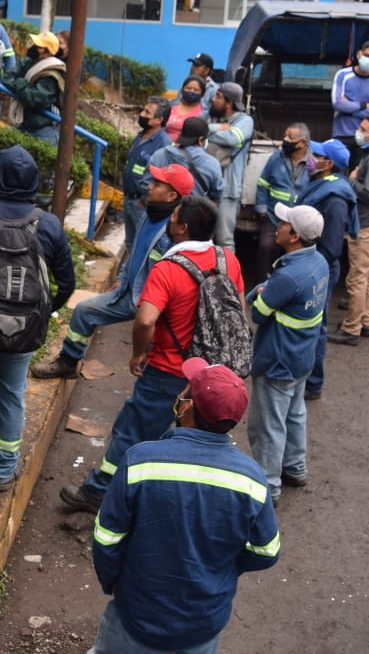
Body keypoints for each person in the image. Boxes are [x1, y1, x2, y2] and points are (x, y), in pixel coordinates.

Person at [11, 359, 278, 654]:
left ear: (189, 408)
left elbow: (107, 537)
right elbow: (266, 551)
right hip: (204, 617)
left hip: (142, 609)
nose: (181, 396)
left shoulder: (143, 461)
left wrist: (114, 582)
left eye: (186, 391)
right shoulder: (252, 479)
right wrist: (222, 571)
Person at [59, 196, 243, 513]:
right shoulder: (228, 260)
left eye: (173, 217)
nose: (169, 220)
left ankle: (99, 491)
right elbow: (237, 308)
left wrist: (137, 353)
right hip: (209, 373)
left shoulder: (168, 268)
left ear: (183, 228)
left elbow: (145, 319)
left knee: (133, 432)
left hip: (169, 371)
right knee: (194, 439)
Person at [0, 147, 77, 491]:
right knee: (10, 393)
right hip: (22, 331)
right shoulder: (48, 224)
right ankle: (3, 471)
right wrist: (43, 314)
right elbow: (67, 283)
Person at [31, 164, 193, 380]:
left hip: (153, 304)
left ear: (171, 195)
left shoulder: (171, 230)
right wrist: (123, 277)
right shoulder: (150, 214)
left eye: (157, 184)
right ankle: (68, 362)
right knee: (84, 311)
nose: (150, 186)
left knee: (154, 364)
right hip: (129, 293)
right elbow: (135, 249)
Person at [246, 203, 330, 501]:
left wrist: (259, 291)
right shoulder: (319, 263)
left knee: (267, 424)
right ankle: (295, 467)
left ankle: (268, 487)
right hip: (302, 357)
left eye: (283, 223)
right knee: (294, 413)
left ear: (294, 235)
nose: (278, 225)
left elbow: (257, 311)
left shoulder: (287, 276)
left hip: (277, 360)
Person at [300, 139, 358, 401]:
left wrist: (310, 269)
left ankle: (313, 383)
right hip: (313, 262)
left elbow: (332, 247)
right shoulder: (323, 185)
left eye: (318, 154)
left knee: (317, 325)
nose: (312, 157)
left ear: (330, 164)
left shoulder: (335, 199)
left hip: (319, 266)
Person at [331, 114, 369, 345]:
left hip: (366, 225)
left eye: (363, 128)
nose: (358, 131)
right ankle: (365, 320)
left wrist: (352, 179)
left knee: (357, 279)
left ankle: (351, 328)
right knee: (367, 276)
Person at [254, 123, 310, 281]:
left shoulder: (313, 163)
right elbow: (263, 184)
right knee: (266, 247)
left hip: (298, 219)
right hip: (273, 216)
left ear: (303, 143)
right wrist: (262, 209)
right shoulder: (276, 158)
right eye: (285, 135)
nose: (285, 140)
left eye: (290, 137)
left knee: (296, 254)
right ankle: (262, 285)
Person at [204, 82, 254, 249]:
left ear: (229, 103)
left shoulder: (245, 121)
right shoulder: (212, 117)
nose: (213, 99)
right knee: (202, 238)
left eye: (218, 96)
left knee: (224, 239)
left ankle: (228, 275)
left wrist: (207, 135)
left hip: (227, 190)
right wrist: (217, 128)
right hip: (205, 186)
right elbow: (196, 129)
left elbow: (232, 138)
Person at [121, 99, 173, 246]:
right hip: (129, 199)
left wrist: (144, 200)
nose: (142, 114)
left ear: (159, 120)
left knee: (143, 245)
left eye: (147, 113)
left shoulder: (163, 144)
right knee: (131, 244)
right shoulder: (140, 135)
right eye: (143, 110)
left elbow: (161, 178)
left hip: (142, 204)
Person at [0, 30, 66, 145]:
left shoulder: (52, 74)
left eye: (39, 46)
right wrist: (22, 87)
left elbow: (34, 99)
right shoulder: (28, 61)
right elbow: (8, 78)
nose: (34, 47)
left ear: (48, 53)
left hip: (43, 131)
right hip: (24, 124)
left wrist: (20, 82)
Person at [331, 39, 369, 156]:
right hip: (340, 134)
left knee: (357, 173)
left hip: (364, 138)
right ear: (359, 54)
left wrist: (348, 108)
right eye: (366, 55)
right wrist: (362, 105)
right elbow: (337, 104)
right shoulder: (343, 75)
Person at [147, 117, 223, 201]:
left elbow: (146, 183)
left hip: (160, 211)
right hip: (192, 211)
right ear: (201, 140)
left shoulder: (160, 154)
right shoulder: (212, 163)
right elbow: (217, 194)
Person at [164, 77, 206, 143]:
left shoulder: (204, 113)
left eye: (196, 90)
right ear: (182, 89)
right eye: (188, 88)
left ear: (202, 93)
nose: (192, 91)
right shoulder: (170, 105)